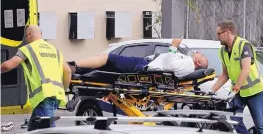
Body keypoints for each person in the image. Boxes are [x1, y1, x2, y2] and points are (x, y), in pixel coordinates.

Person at [1, 25, 72, 134]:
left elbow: (8, 66)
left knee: (50, 133)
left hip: (43, 96)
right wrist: (64, 89)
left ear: (28, 36)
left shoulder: (27, 49)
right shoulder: (54, 50)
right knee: (33, 130)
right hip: (55, 95)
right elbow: (68, 71)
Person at [210, 20, 263, 134]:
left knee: (260, 125)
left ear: (227, 32)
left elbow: (246, 69)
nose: (217, 37)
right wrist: (211, 91)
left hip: (254, 91)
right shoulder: (222, 51)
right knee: (234, 120)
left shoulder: (244, 45)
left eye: (219, 34)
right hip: (238, 92)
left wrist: (235, 89)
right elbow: (224, 75)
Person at [68, 38, 208, 78]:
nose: (197, 52)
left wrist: (173, 46)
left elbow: (171, 67)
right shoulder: (188, 62)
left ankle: (73, 65)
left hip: (146, 66)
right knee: (106, 67)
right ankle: (77, 72)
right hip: (147, 63)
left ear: (198, 62)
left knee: (107, 58)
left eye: (200, 54)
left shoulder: (188, 64)